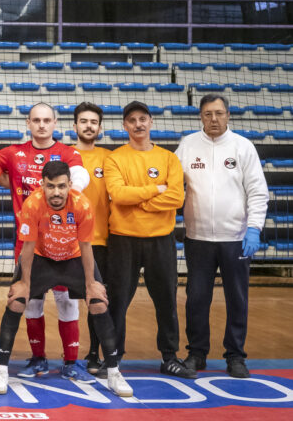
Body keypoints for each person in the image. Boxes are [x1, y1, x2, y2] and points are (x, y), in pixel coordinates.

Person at [0, 161, 132, 398]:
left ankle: (114, 373)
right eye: (51, 186)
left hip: (72, 259)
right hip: (41, 258)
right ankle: (1, 370)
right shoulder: (33, 204)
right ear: (42, 185)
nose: (56, 192)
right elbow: (27, 247)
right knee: (16, 301)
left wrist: (91, 284)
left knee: (98, 303)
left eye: (62, 186)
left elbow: (86, 247)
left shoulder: (82, 205)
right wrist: (24, 282)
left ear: (70, 185)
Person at [0, 102, 92, 382]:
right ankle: (38, 359)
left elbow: (80, 176)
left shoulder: (68, 153)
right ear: (28, 123)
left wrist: (67, 191)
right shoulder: (13, 153)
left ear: (55, 123)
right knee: (31, 302)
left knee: (67, 302)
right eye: (36, 120)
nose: (42, 125)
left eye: (47, 120)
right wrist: (11, 183)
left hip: (64, 243)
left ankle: (71, 362)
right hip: (28, 244)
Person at [175, 94, 269, 378]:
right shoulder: (187, 145)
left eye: (218, 113)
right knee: (196, 298)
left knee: (237, 299)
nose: (213, 119)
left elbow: (258, 191)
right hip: (198, 238)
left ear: (228, 115)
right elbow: (172, 184)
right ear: (200, 117)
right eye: (207, 114)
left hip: (236, 238)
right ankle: (196, 353)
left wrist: (254, 228)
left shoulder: (243, 146)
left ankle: (236, 355)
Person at [103, 101, 194, 378]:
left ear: (151, 121)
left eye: (142, 119)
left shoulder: (169, 158)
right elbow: (119, 195)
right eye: (132, 120)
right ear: (124, 125)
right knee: (118, 301)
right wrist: (156, 189)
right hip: (123, 240)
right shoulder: (115, 158)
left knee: (166, 300)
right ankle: (113, 357)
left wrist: (139, 201)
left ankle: (169, 357)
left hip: (160, 240)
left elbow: (176, 198)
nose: (138, 124)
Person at [72, 102, 112, 375]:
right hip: (67, 241)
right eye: (84, 121)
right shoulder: (64, 155)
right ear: (74, 125)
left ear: (100, 127)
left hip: (100, 240)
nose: (88, 126)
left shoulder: (110, 158)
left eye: (93, 122)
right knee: (64, 301)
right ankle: (63, 355)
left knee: (96, 298)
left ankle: (94, 353)